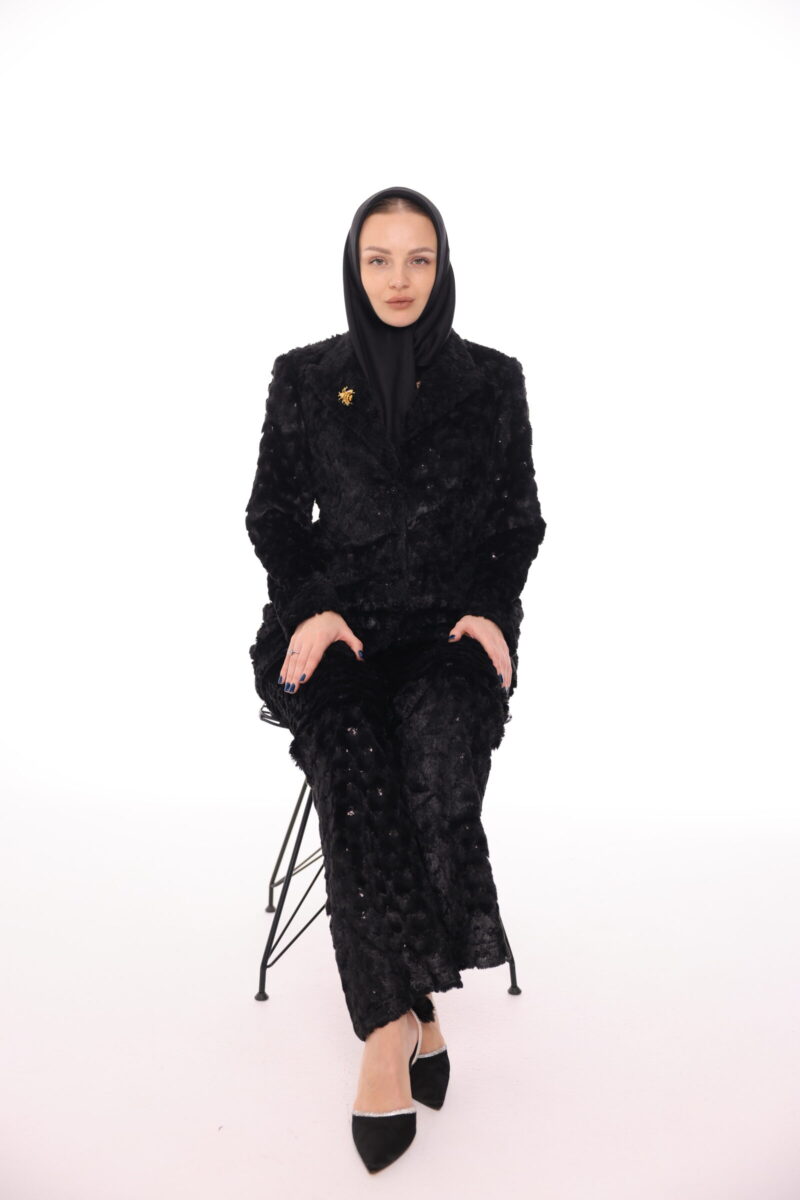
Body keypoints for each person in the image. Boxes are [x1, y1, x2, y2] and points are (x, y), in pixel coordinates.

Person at [245, 184, 547, 1172]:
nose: (398, 278)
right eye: (378, 258)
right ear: (354, 266)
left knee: (436, 737)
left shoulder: (492, 381)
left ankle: (408, 997)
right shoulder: (305, 377)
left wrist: (490, 610)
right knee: (351, 742)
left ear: (442, 265)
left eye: (419, 258)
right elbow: (272, 515)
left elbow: (517, 522)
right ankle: (391, 1022)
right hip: (330, 628)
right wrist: (308, 608)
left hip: (449, 630)